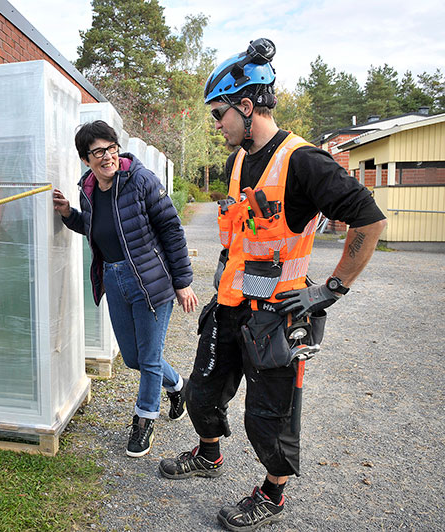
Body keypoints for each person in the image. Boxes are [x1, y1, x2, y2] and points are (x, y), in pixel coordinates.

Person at [157, 39, 387, 530]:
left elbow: (368, 221)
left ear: (246, 106)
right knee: (201, 391)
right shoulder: (237, 160)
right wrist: (222, 278)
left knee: (269, 415)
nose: (215, 124)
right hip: (232, 303)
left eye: (219, 113)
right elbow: (243, 231)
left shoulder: (304, 161)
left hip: (279, 315)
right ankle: (209, 455)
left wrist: (332, 287)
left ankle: (272, 494)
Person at [53, 120, 198, 458]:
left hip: (152, 281)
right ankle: (178, 385)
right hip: (115, 280)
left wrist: (183, 282)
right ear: (86, 159)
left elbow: (172, 230)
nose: (107, 156)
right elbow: (95, 228)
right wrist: (68, 214)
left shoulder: (141, 181)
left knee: (148, 358)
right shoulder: (88, 189)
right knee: (134, 358)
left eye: (111, 148)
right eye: (98, 152)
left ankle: (144, 420)